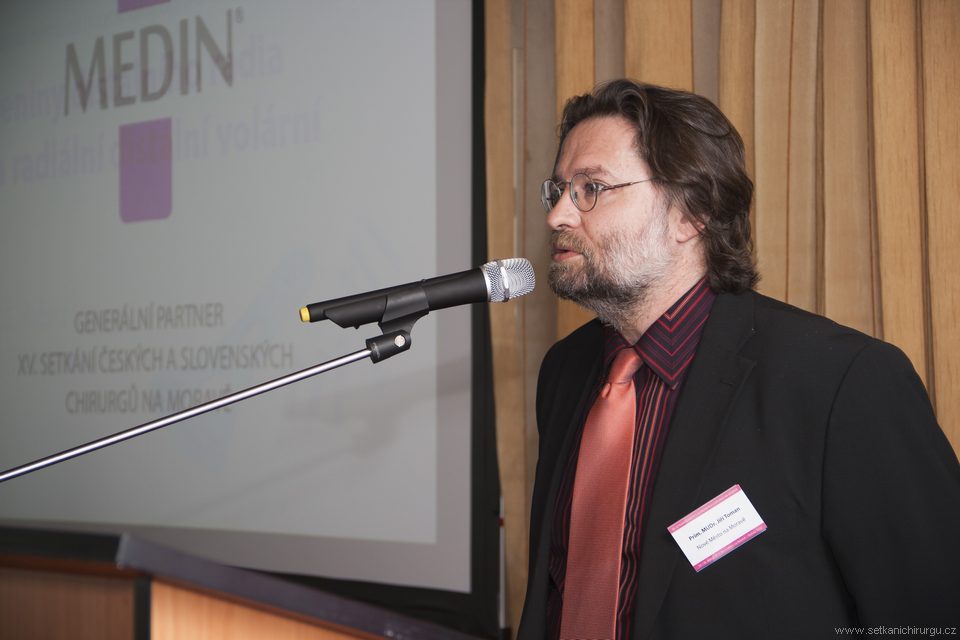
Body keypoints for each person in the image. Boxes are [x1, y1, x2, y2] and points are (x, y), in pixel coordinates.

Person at [517, 79, 960, 640]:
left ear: (692, 213)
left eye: (592, 188)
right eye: (558, 189)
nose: (558, 215)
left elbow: (932, 615)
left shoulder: (842, 384)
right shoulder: (566, 370)